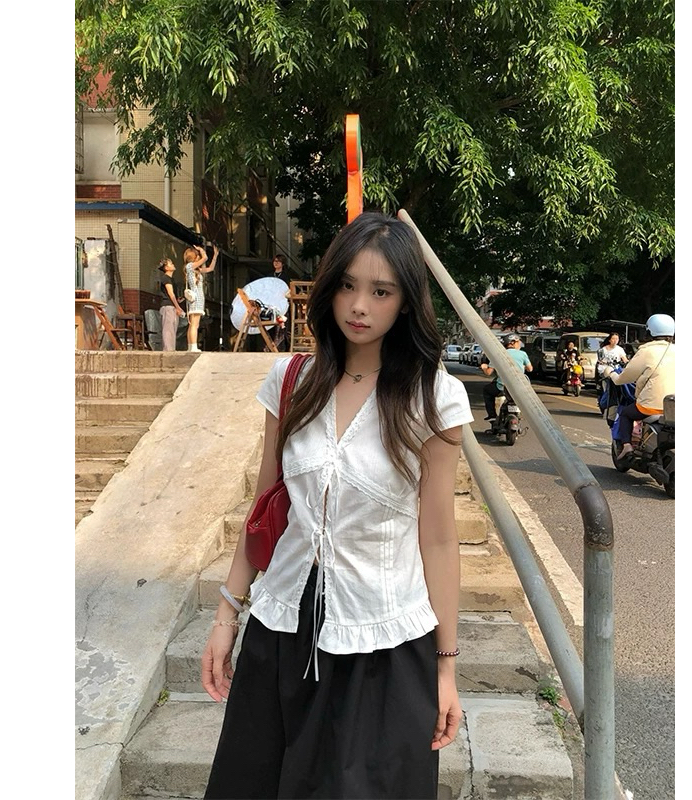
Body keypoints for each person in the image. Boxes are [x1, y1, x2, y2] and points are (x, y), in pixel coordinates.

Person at [201, 212, 474, 800]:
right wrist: (227, 615)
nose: (359, 305)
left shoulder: (432, 398)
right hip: (283, 631)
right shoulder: (291, 380)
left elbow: (438, 538)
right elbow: (266, 508)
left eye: (381, 291)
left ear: (406, 302)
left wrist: (446, 666)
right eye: (348, 285)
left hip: (383, 643)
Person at [604, 314, 675, 459]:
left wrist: (610, 373)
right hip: (674, 408)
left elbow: (623, 379)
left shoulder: (646, 351)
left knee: (626, 414)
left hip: (652, 406)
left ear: (649, 332)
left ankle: (627, 446)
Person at [480, 334, 532, 421]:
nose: (520, 344)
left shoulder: (498, 354)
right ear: (512, 343)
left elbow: (488, 372)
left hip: (502, 387)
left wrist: (484, 367)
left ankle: (492, 415)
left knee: (487, 390)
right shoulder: (523, 354)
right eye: (518, 342)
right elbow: (530, 369)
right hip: (519, 387)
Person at [184, 243, 218, 352]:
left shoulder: (195, 269)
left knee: (193, 324)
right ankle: (193, 346)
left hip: (196, 297)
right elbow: (205, 258)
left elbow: (210, 268)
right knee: (194, 324)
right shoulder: (189, 266)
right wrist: (201, 250)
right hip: (196, 298)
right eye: (197, 255)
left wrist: (215, 256)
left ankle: (191, 346)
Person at [157, 258, 186, 351]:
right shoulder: (166, 278)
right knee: (169, 330)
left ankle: (171, 350)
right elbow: (170, 293)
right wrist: (178, 307)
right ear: (166, 267)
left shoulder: (171, 279)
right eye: (170, 263)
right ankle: (168, 350)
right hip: (168, 306)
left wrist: (178, 300)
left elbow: (172, 295)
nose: (173, 264)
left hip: (171, 306)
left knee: (172, 329)